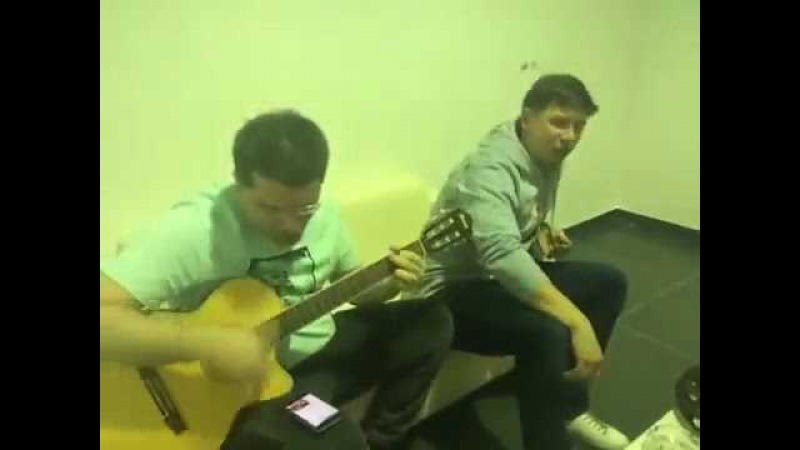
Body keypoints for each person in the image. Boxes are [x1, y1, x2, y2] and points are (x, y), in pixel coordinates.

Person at [100, 110, 454, 450]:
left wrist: (391, 283)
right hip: (243, 386)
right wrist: (205, 344)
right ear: (239, 184)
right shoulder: (196, 230)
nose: (290, 226)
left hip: (315, 348)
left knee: (431, 321)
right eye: (270, 209)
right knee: (339, 442)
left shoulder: (326, 216)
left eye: (304, 210)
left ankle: (384, 442)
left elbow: (352, 285)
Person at [411, 74, 631, 450]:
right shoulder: (488, 169)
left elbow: (515, 220)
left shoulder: (544, 153)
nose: (570, 136)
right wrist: (578, 322)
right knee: (550, 330)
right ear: (527, 118)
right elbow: (501, 256)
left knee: (610, 282)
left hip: (492, 280)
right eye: (559, 122)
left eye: (579, 126)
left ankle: (570, 406)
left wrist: (540, 231)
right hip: (450, 291)